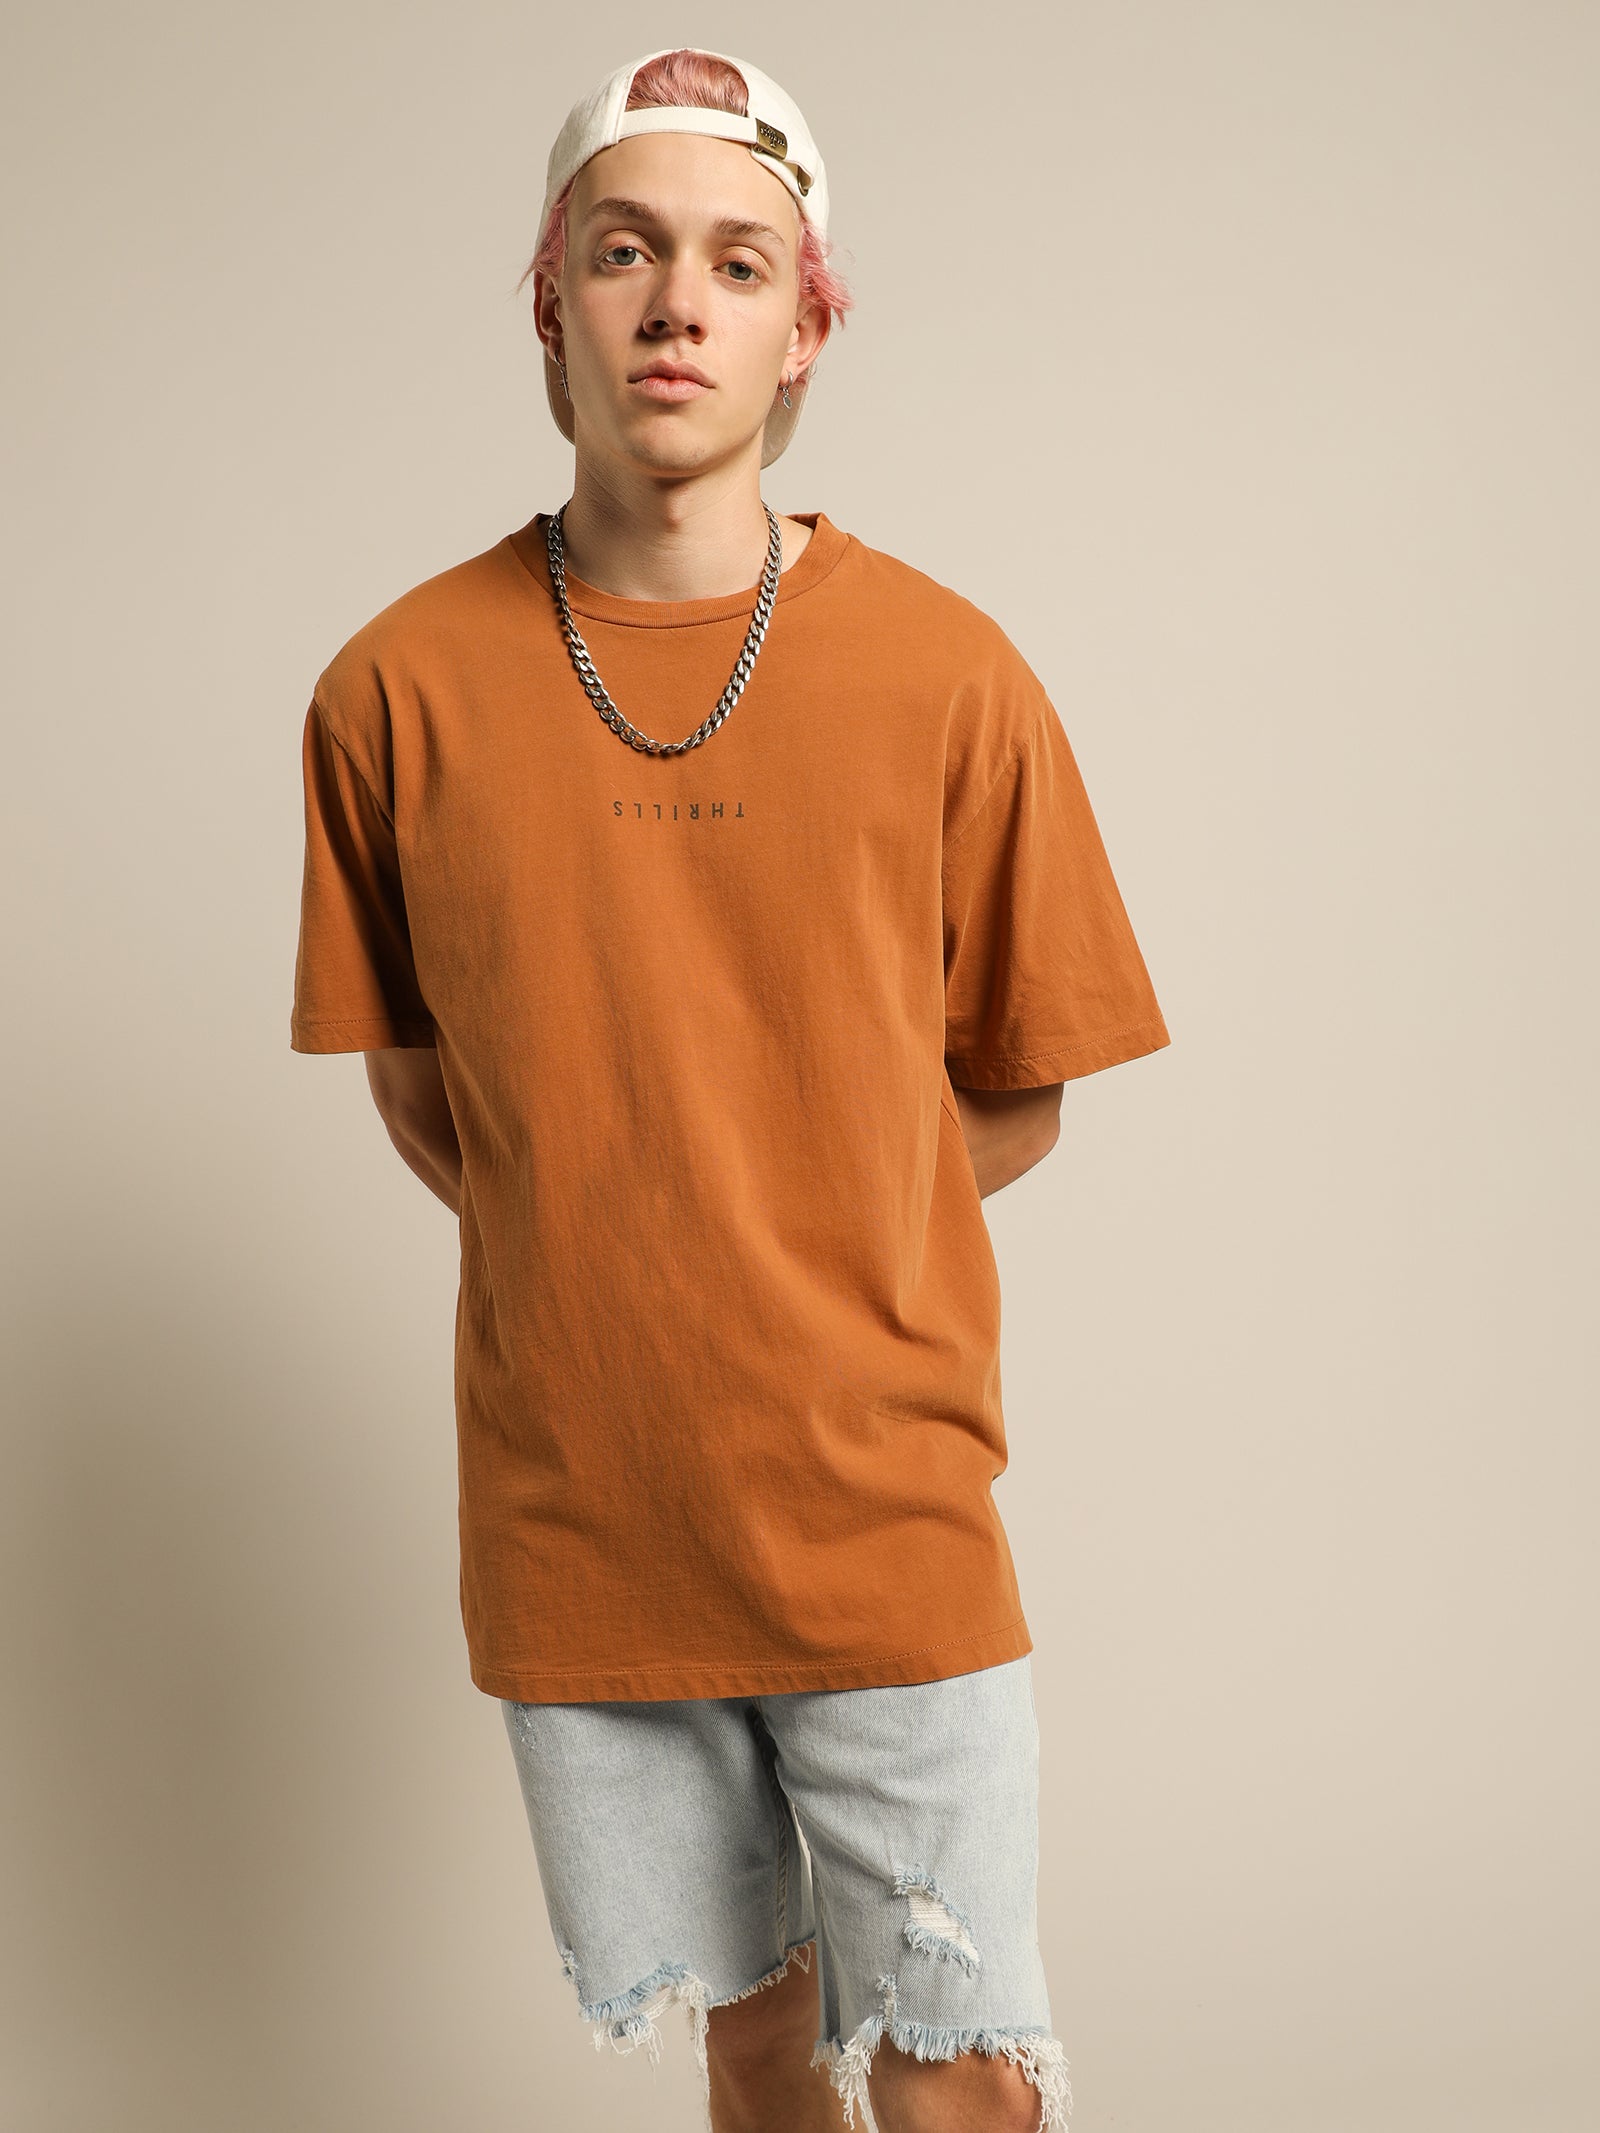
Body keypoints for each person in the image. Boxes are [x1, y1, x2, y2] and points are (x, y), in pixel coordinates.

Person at [289, 44, 1171, 2133]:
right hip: (582, 1519)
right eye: (624, 252)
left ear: (805, 328)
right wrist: (624, 1225)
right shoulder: (393, 693)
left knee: (958, 2074)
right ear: (550, 304)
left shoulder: (951, 676)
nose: (677, 303)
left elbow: (1019, 1089)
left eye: (737, 261)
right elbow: (431, 1097)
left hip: (880, 1508)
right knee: (754, 2047)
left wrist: (804, 1210)